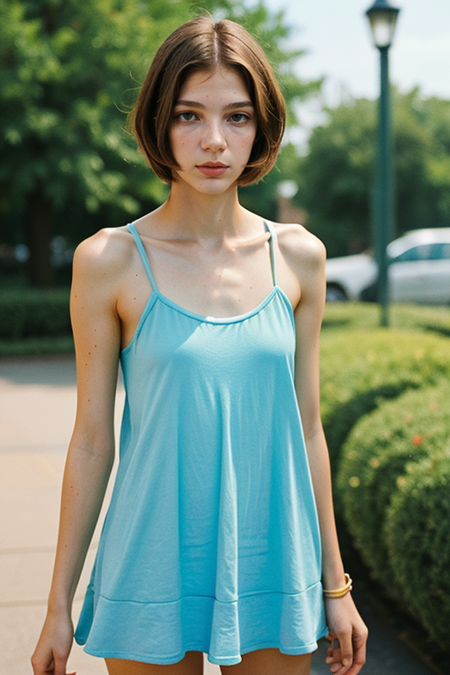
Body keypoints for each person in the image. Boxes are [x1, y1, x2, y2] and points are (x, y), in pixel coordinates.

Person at [32, 14, 368, 675]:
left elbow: (307, 429)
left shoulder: (300, 258)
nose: (213, 140)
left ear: (261, 127)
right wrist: (57, 604)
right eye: (189, 115)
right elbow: (94, 439)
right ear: (161, 122)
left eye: (237, 117)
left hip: (275, 564)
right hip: (148, 563)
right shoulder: (108, 260)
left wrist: (336, 586)